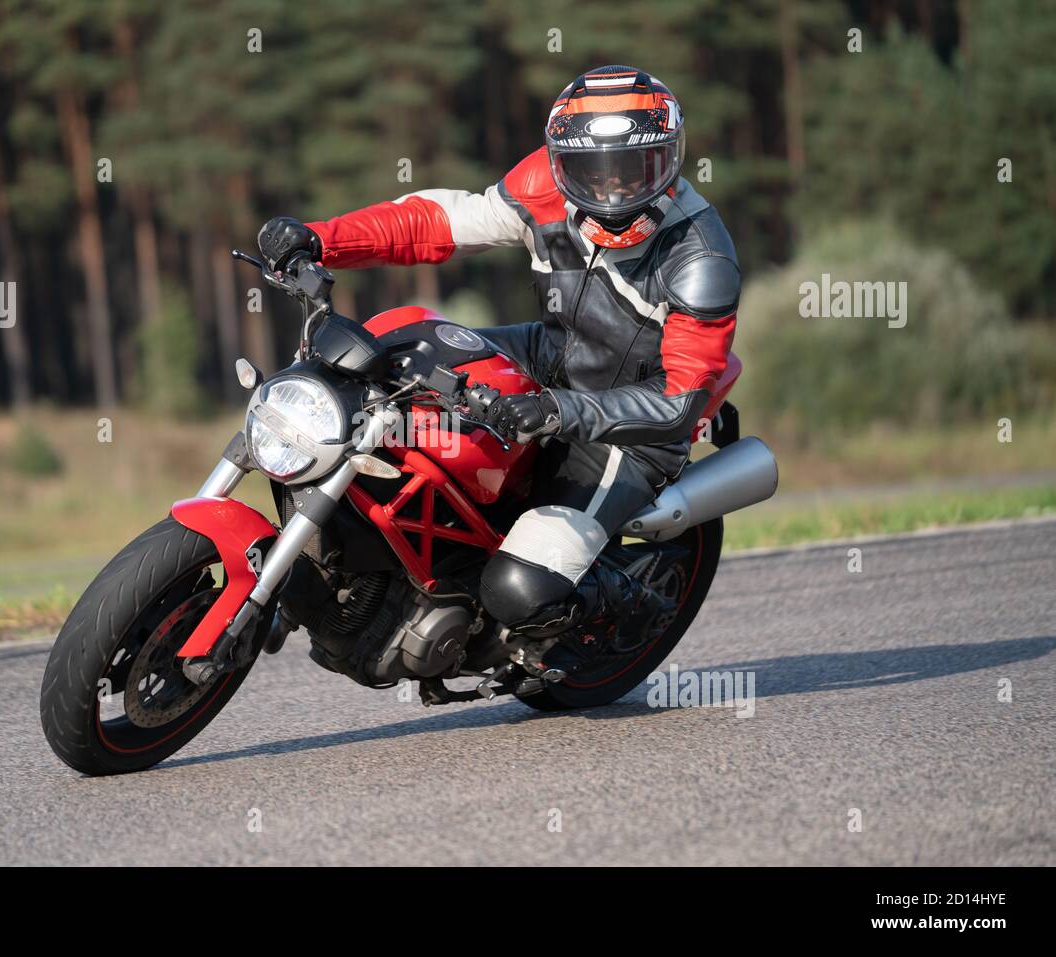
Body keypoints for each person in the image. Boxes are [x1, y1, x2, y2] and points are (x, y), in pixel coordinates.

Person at [257, 65, 740, 662]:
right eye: (595, 170)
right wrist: (318, 239)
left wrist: (556, 410)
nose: (613, 190)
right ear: (562, 162)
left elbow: (677, 402)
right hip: (550, 353)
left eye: (633, 169)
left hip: (628, 428)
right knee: (395, 348)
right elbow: (436, 223)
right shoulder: (543, 183)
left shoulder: (701, 256)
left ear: (669, 160)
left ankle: (617, 603)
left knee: (517, 589)